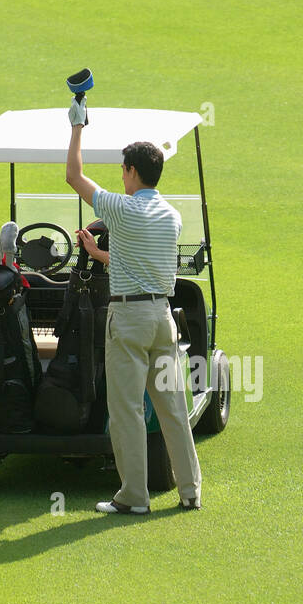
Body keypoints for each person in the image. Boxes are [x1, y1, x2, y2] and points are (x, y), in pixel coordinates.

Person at [64, 100, 202, 513]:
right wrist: (101, 253)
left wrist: (77, 126)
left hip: (128, 321)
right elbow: (141, 261)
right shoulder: (171, 215)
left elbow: (73, 176)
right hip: (162, 318)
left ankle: (134, 497)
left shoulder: (120, 209)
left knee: (125, 410)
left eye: (123, 170)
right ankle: (190, 492)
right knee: (173, 407)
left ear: (131, 172)